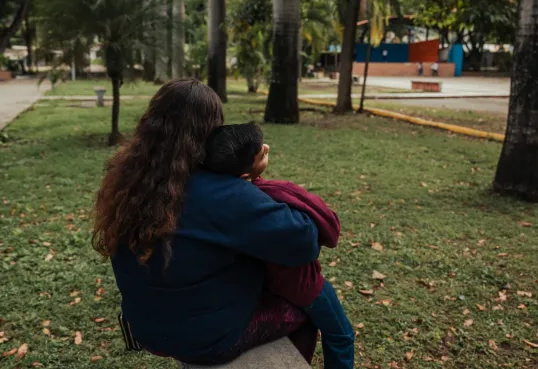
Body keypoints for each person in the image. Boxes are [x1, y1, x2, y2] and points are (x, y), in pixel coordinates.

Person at [94, 79, 321, 366]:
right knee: (306, 305)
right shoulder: (221, 192)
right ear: (212, 133)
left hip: (146, 328)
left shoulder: (127, 179)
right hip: (210, 339)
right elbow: (304, 242)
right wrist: (254, 176)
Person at [204, 123, 355, 369]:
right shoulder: (274, 194)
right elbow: (330, 227)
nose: (267, 148)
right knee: (341, 334)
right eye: (262, 154)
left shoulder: (215, 200)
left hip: (268, 284)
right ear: (244, 176)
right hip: (303, 284)